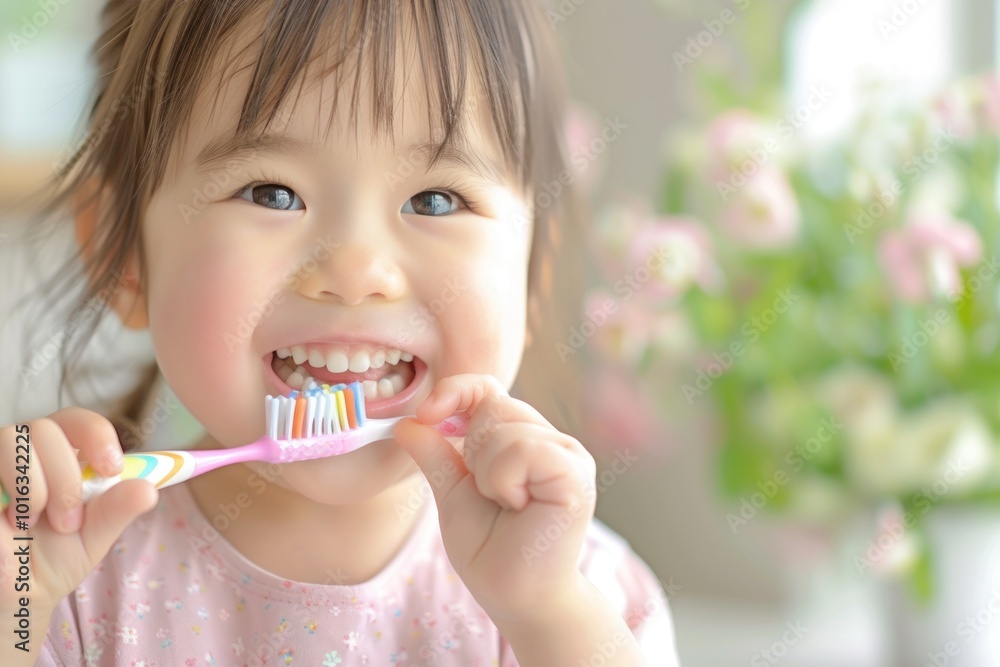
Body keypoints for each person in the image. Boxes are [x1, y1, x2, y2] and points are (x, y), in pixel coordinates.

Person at [0, 1, 680, 664]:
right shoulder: (66, 585)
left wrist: (545, 616)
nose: (356, 271)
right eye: (271, 192)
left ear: (532, 277)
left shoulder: (586, 596)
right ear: (124, 260)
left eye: (436, 200)